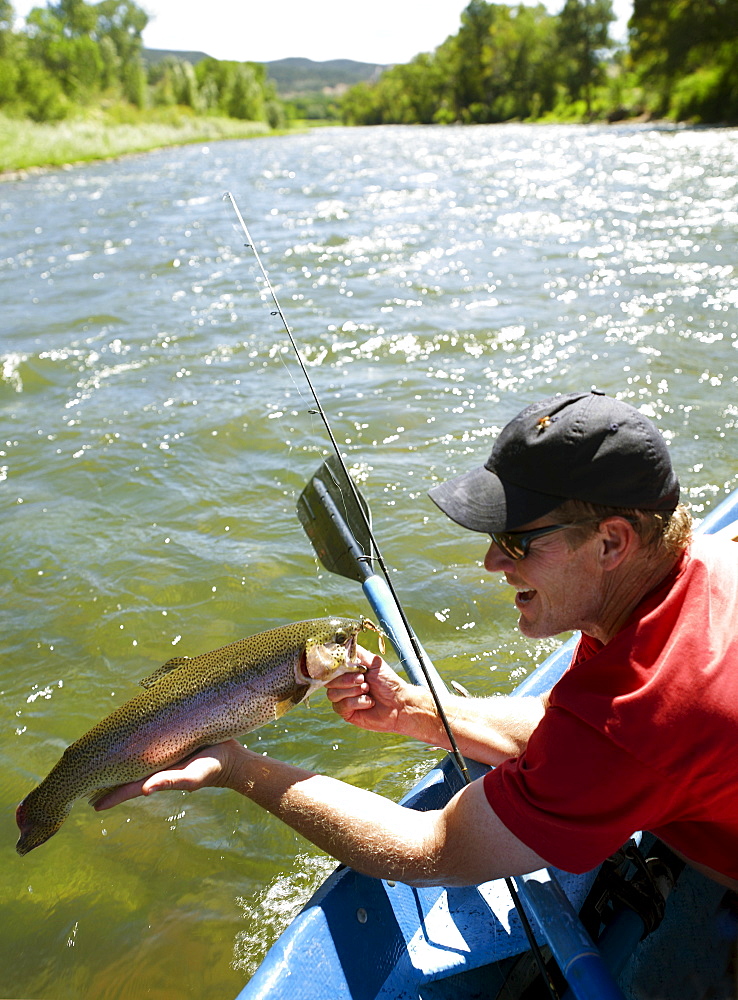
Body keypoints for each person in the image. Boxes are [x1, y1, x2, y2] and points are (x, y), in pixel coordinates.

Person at [95, 390, 738, 891]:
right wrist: (414, 711)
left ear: (611, 541)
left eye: (515, 540)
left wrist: (236, 767)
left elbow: (434, 850)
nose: (490, 561)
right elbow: (559, 733)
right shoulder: (704, 564)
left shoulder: (636, 714)